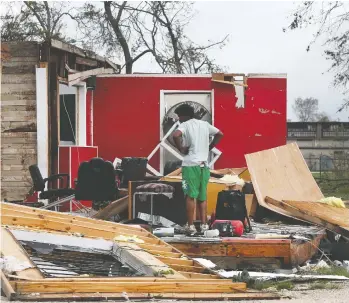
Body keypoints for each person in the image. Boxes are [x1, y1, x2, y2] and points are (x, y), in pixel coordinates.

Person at [172, 104, 223, 234]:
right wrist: (209, 147)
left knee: (189, 196)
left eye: (179, 116)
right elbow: (220, 134)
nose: (178, 119)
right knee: (202, 196)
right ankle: (204, 225)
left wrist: (181, 148)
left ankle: (190, 226)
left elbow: (176, 135)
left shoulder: (185, 125)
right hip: (204, 166)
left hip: (190, 166)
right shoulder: (205, 125)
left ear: (184, 115)